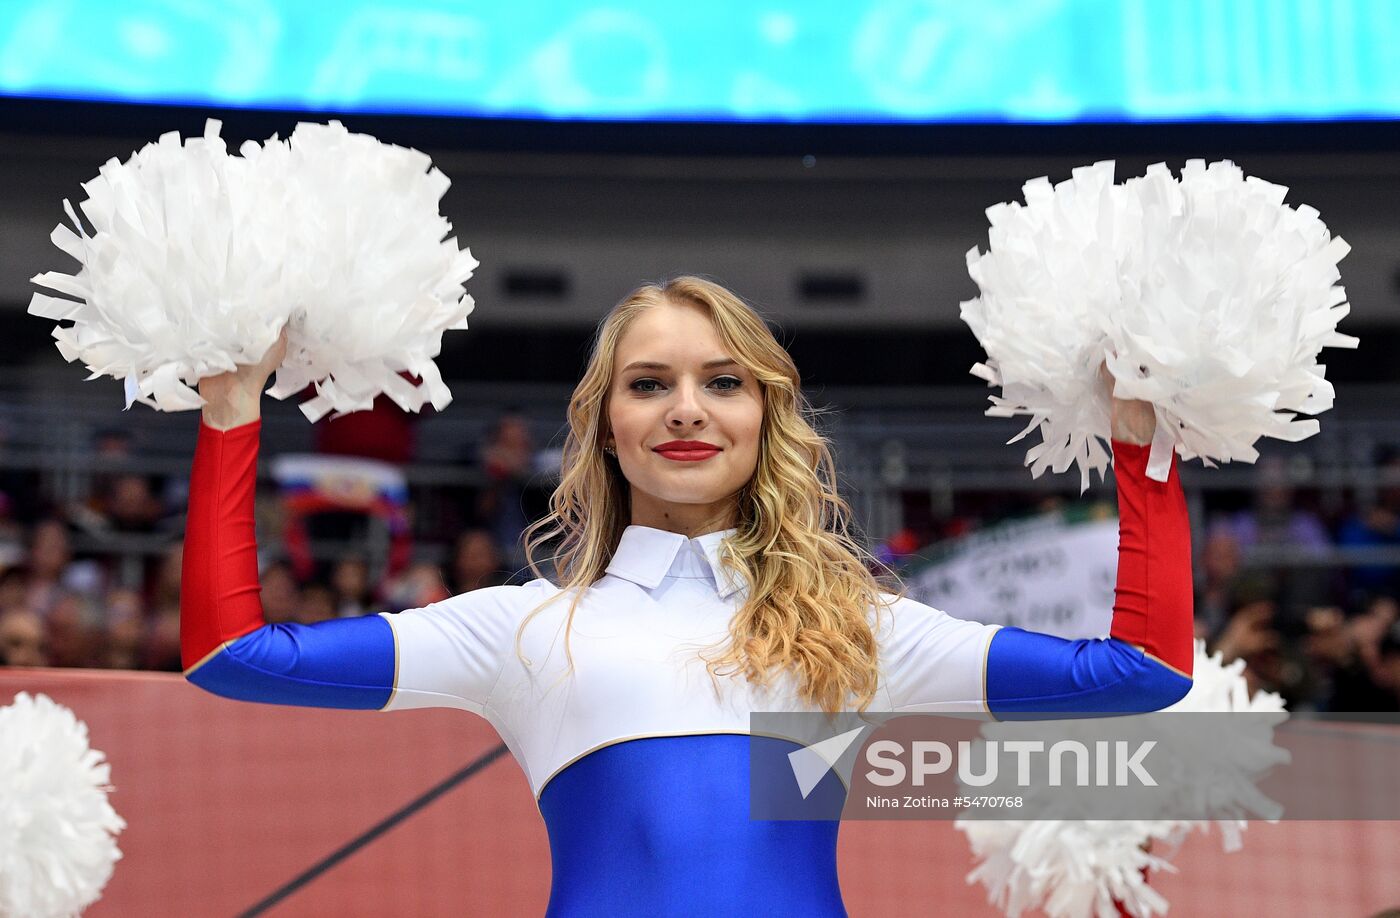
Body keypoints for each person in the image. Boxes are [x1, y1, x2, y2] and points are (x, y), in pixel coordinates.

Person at [181, 277, 1193, 916]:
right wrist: (230, 418)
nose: (685, 412)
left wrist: (1141, 447)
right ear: (604, 425)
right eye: (649, 383)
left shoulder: (857, 631)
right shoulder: (523, 629)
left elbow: (1140, 675)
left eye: (722, 382)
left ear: (765, 417)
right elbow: (234, 658)